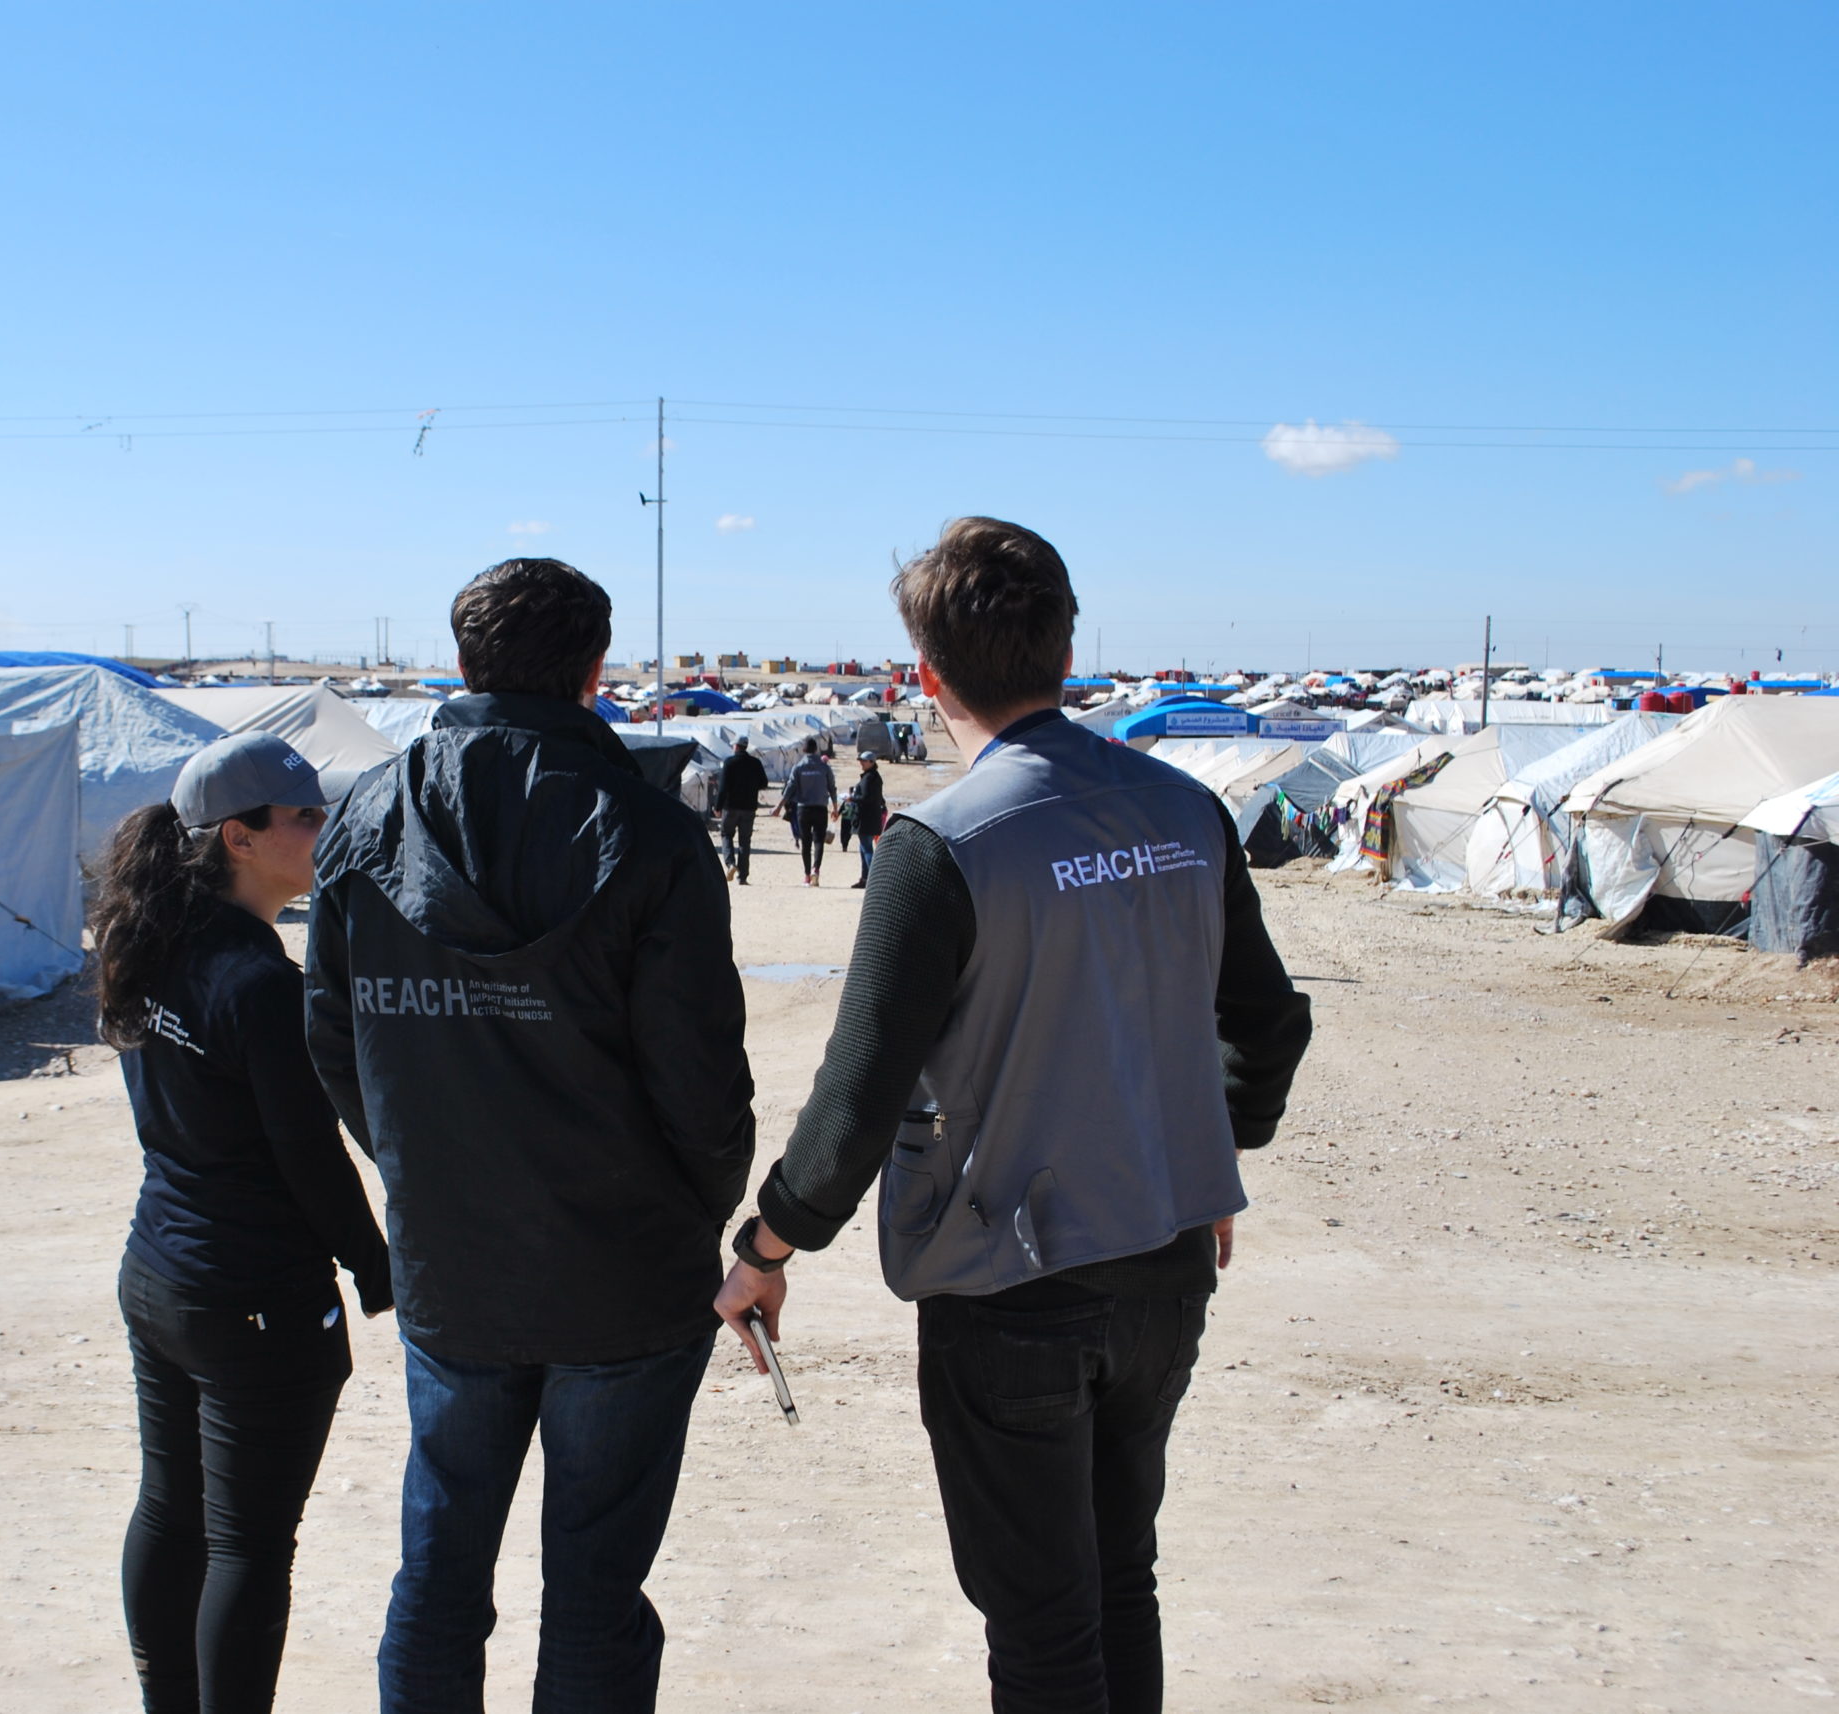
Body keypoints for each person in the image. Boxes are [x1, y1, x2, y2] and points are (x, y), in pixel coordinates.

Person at [713, 518, 1313, 1714]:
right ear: (1068, 645)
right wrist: (1205, 1158)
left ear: (926, 677)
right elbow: (1270, 1021)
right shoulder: (1181, 809)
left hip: (1012, 1280)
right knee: (1117, 1578)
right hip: (1161, 1260)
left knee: (1041, 1622)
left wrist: (765, 1246)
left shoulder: (942, 845)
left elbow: (858, 1094)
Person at [305, 557, 756, 1714]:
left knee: (441, 1568)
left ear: (463, 665)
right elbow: (702, 1090)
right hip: (618, 1271)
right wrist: (694, 1211)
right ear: (595, 672)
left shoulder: (364, 814)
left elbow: (335, 1044)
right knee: (590, 1584)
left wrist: (421, 1162)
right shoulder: (649, 835)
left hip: (460, 1266)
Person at [91, 731, 394, 1714]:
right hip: (248, 1298)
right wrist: (377, 1265)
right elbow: (308, 1152)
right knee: (247, 1543)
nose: (326, 830)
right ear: (239, 837)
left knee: (174, 1513)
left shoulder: (152, 939)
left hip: (162, 1275)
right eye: (307, 817)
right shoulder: (257, 982)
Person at [718, 734, 769, 885]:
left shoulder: (729, 763)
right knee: (744, 841)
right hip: (749, 807)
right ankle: (743, 876)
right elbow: (764, 782)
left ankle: (730, 863)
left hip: (731, 806)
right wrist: (751, 787)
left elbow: (723, 787)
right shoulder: (755, 763)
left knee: (726, 834)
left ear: (735, 746)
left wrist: (717, 806)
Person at [788, 740, 837, 885]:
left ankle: (807, 875)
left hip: (803, 809)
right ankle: (816, 869)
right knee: (818, 840)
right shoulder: (824, 767)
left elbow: (790, 788)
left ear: (803, 750)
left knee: (806, 842)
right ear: (816, 749)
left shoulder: (798, 767)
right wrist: (834, 807)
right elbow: (832, 787)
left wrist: (779, 806)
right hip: (820, 808)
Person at [847, 749, 888, 888]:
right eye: (861, 761)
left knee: (867, 849)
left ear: (871, 762)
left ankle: (873, 880)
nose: (862, 764)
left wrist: (851, 798)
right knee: (863, 848)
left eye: (864, 761)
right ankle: (865, 879)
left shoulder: (869, 778)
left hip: (866, 818)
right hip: (870, 817)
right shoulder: (873, 777)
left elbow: (865, 798)